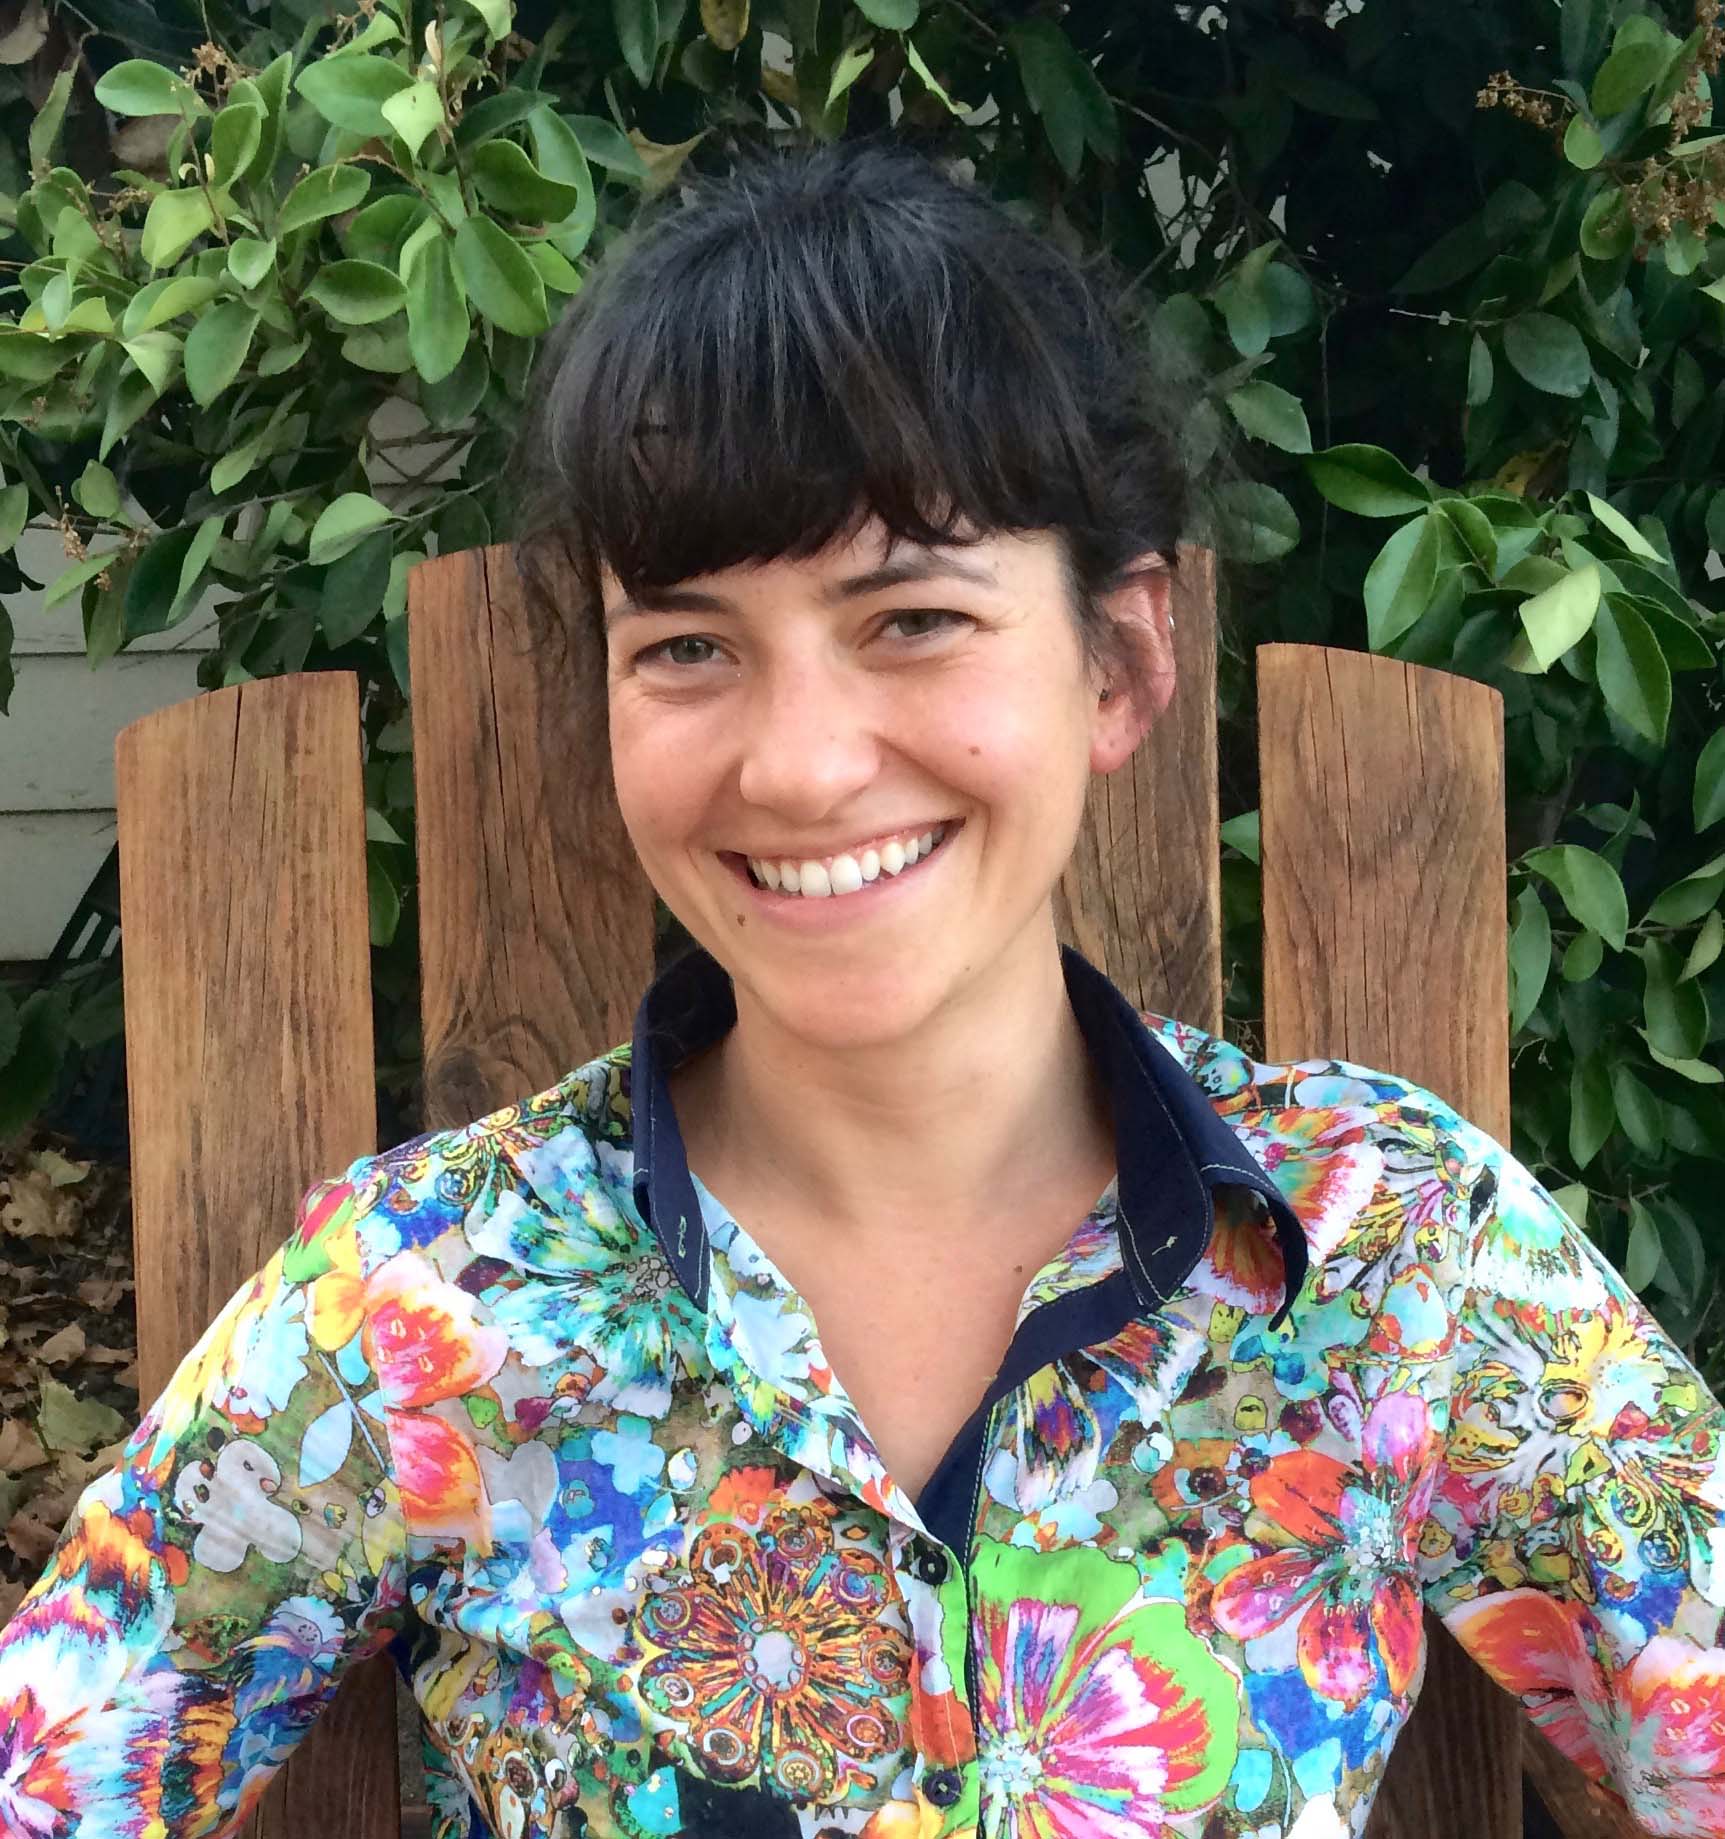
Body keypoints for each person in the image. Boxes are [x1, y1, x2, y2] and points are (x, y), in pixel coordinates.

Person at [2, 135, 1723, 1839]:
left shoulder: (1387, 1253)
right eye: (685, 646)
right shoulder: (417, 1312)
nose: (804, 768)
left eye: (908, 618)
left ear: (1119, 662)